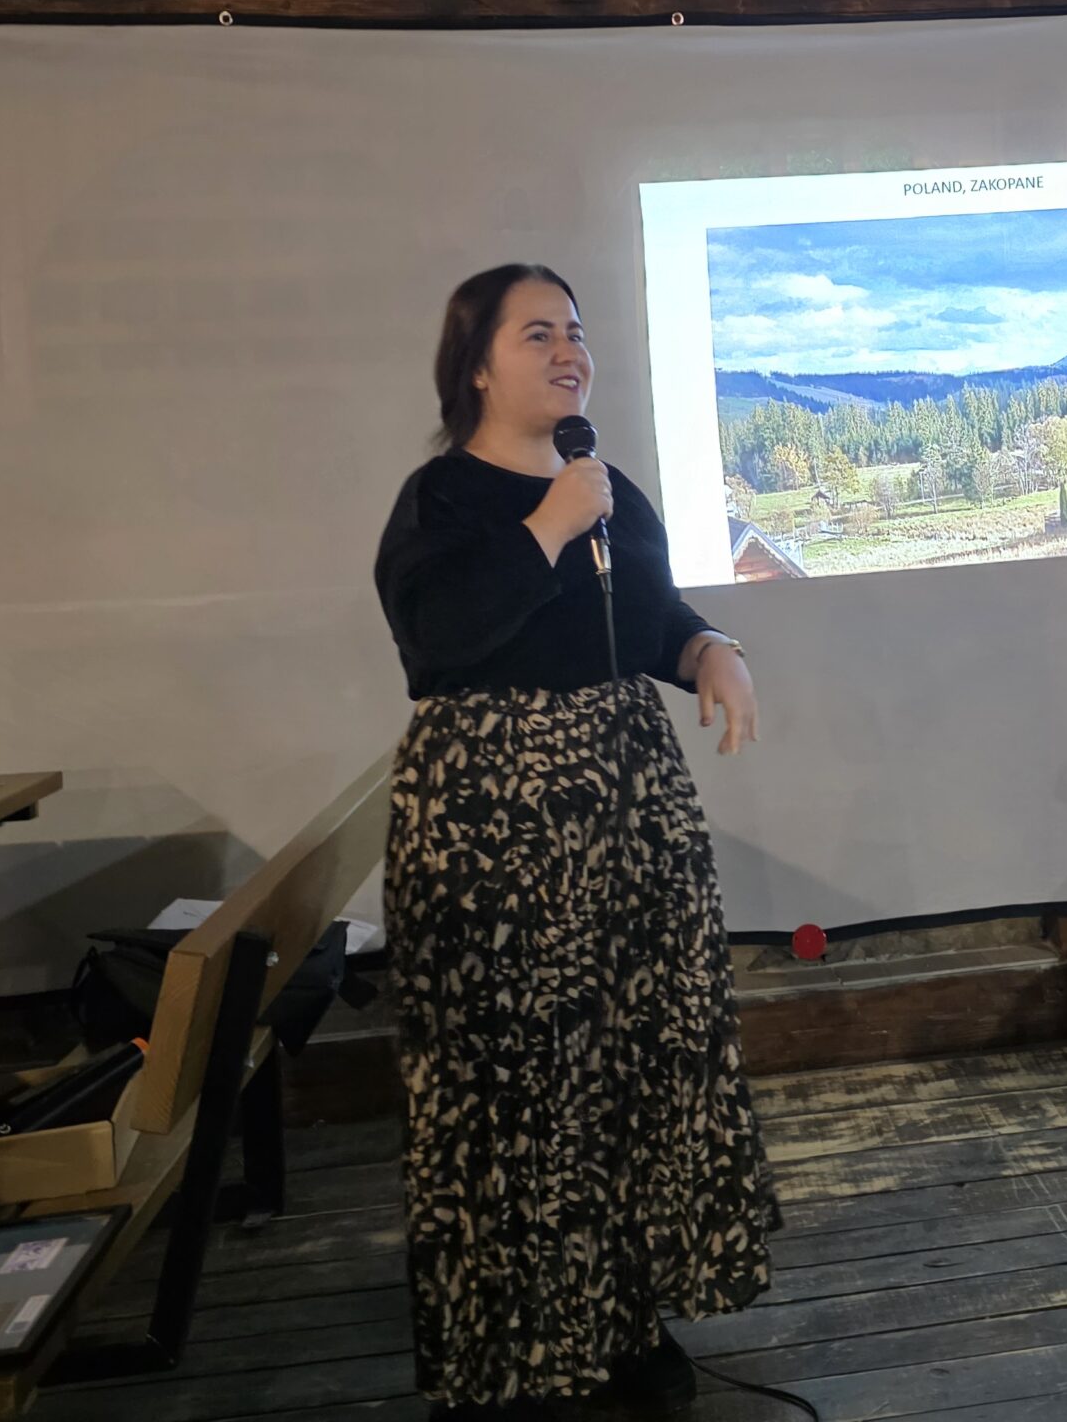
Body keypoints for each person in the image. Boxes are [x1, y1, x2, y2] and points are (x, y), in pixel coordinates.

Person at [373, 263, 777, 1420]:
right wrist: (546, 525)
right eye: (537, 333)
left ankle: (624, 1319)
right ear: (476, 366)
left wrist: (709, 650)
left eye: (577, 333)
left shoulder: (608, 488)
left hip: (627, 817)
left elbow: (648, 617)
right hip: (495, 829)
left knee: (633, 1067)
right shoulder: (443, 498)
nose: (569, 352)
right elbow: (437, 636)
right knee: (519, 1079)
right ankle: (512, 1346)